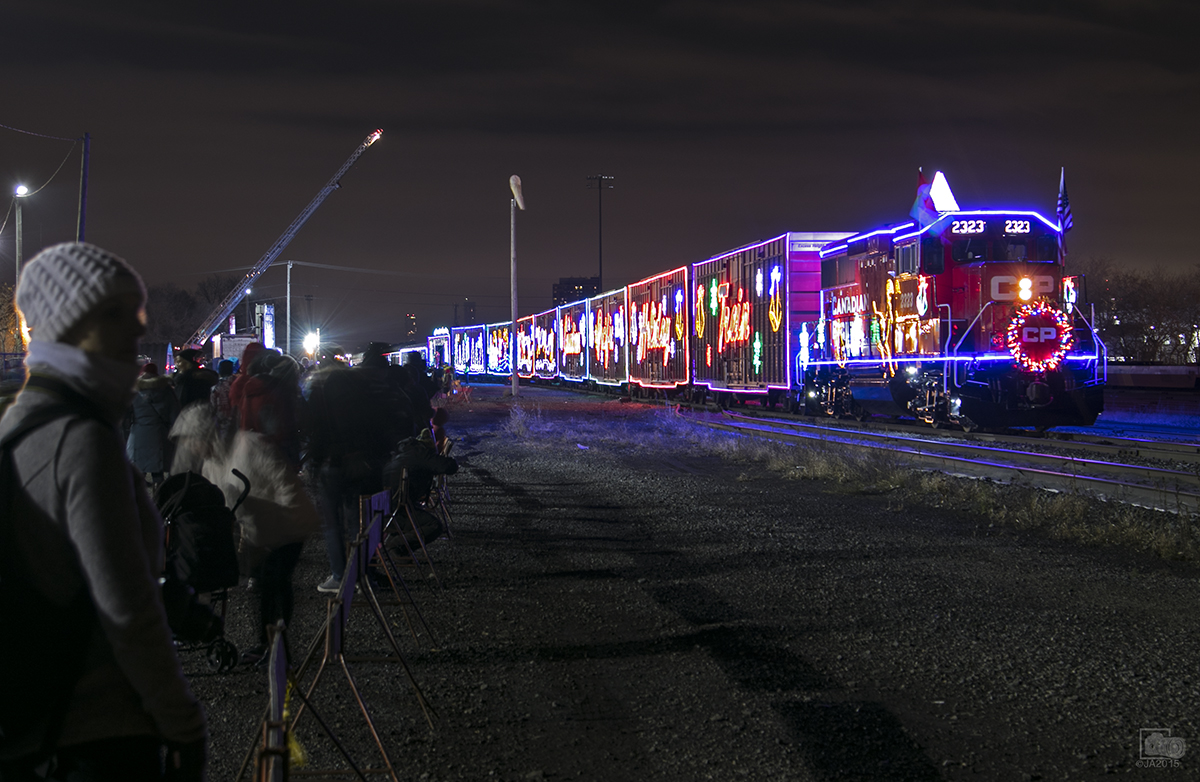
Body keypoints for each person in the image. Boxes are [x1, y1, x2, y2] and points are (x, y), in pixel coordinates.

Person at [0, 242, 206, 780]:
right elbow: (125, 608)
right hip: (97, 732)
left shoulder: (18, 427)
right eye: (115, 315)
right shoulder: (81, 442)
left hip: (37, 725)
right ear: (67, 324)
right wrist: (182, 723)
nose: (136, 333)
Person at [126, 362, 182, 489]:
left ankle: (137, 493)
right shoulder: (166, 389)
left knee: (139, 462)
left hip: (139, 431)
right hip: (160, 430)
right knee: (158, 463)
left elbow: (126, 412)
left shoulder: (134, 390)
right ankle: (159, 490)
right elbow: (175, 411)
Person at [209, 359, 236, 445]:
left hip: (222, 423)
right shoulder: (238, 383)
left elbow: (212, 408)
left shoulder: (216, 387)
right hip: (239, 421)